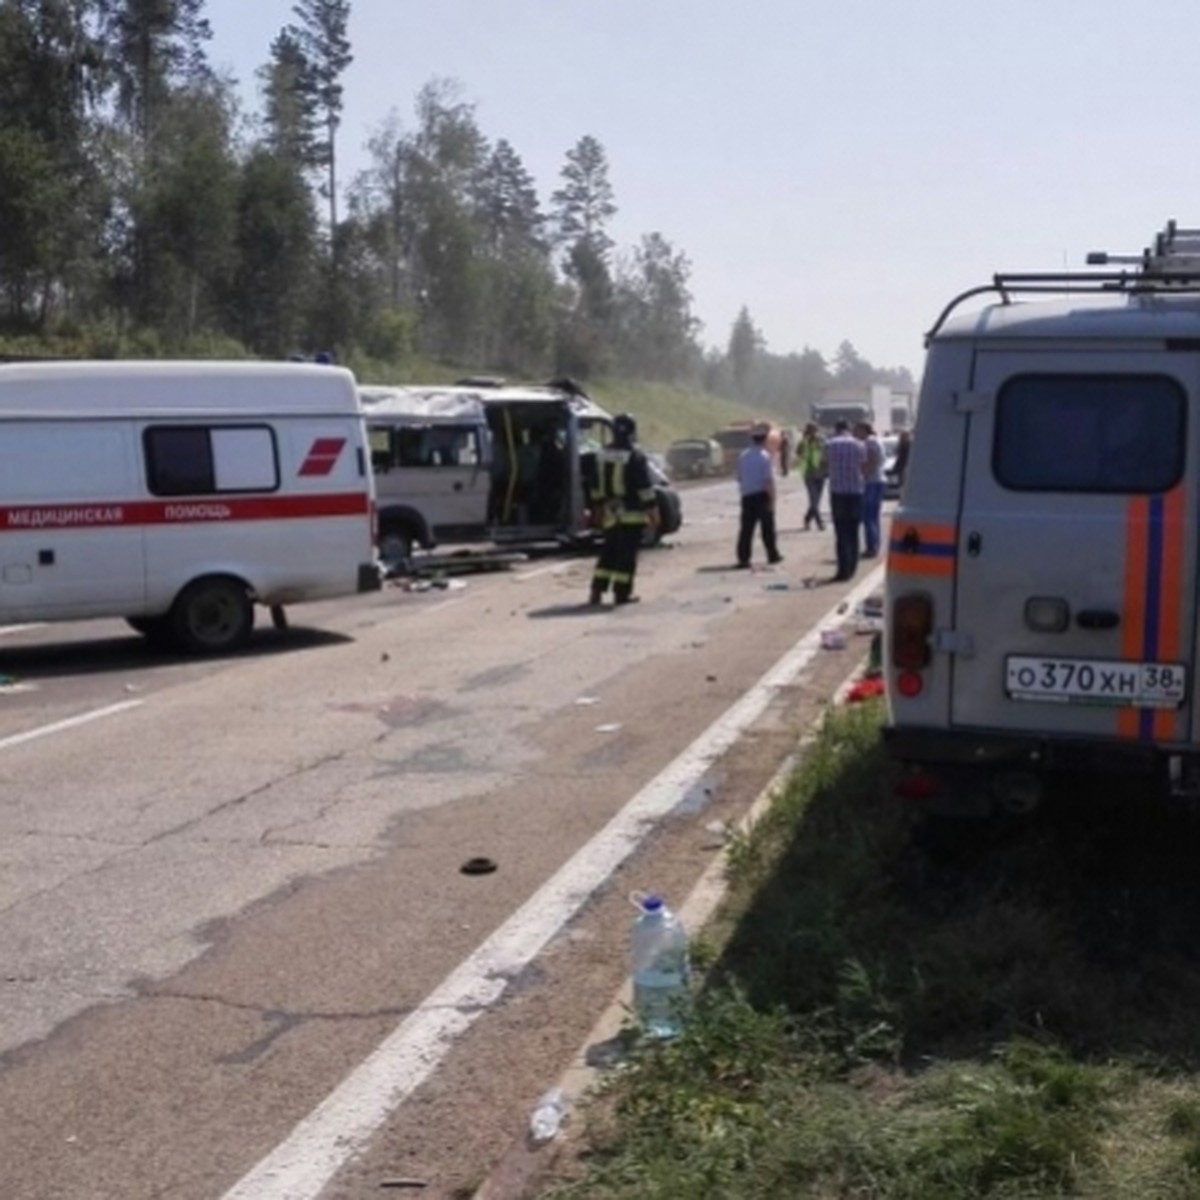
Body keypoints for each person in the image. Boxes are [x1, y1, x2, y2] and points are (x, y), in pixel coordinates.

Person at [588, 413, 659, 605]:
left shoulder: (601, 454)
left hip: (610, 511)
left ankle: (596, 591)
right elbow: (644, 487)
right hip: (632, 511)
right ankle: (622, 593)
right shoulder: (635, 456)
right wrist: (652, 511)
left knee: (608, 551)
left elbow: (594, 485)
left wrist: (597, 508)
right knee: (627, 555)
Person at [735, 422, 783, 568]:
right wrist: (773, 498)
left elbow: (739, 477)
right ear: (764, 440)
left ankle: (743, 558)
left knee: (746, 529)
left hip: (747, 496)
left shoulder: (743, 456)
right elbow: (768, 480)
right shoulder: (765, 457)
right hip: (762, 496)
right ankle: (772, 555)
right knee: (767, 528)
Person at [825, 420, 866, 582]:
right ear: (848, 429)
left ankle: (843, 570)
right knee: (853, 530)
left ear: (836, 429)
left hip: (838, 492)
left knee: (841, 532)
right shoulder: (859, 444)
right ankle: (852, 568)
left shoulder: (830, 444)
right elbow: (863, 466)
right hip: (855, 491)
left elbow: (825, 464)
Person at [856, 421, 885, 558]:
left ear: (863, 430)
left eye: (857, 430)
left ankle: (871, 547)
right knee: (873, 516)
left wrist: (865, 474)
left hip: (872, 481)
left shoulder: (869, 442)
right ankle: (875, 545)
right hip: (878, 480)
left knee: (868, 516)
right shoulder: (876, 440)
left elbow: (871, 460)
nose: (855, 433)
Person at [798, 422, 827, 531]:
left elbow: (825, 454)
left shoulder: (821, 441)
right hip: (809, 473)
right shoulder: (803, 442)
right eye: (811, 430)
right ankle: (820, 523)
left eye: (815, 430)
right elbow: (799, 453)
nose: (814, 433)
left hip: (820, 473)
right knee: (814, 499)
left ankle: (807, 519)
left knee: (816, 501)